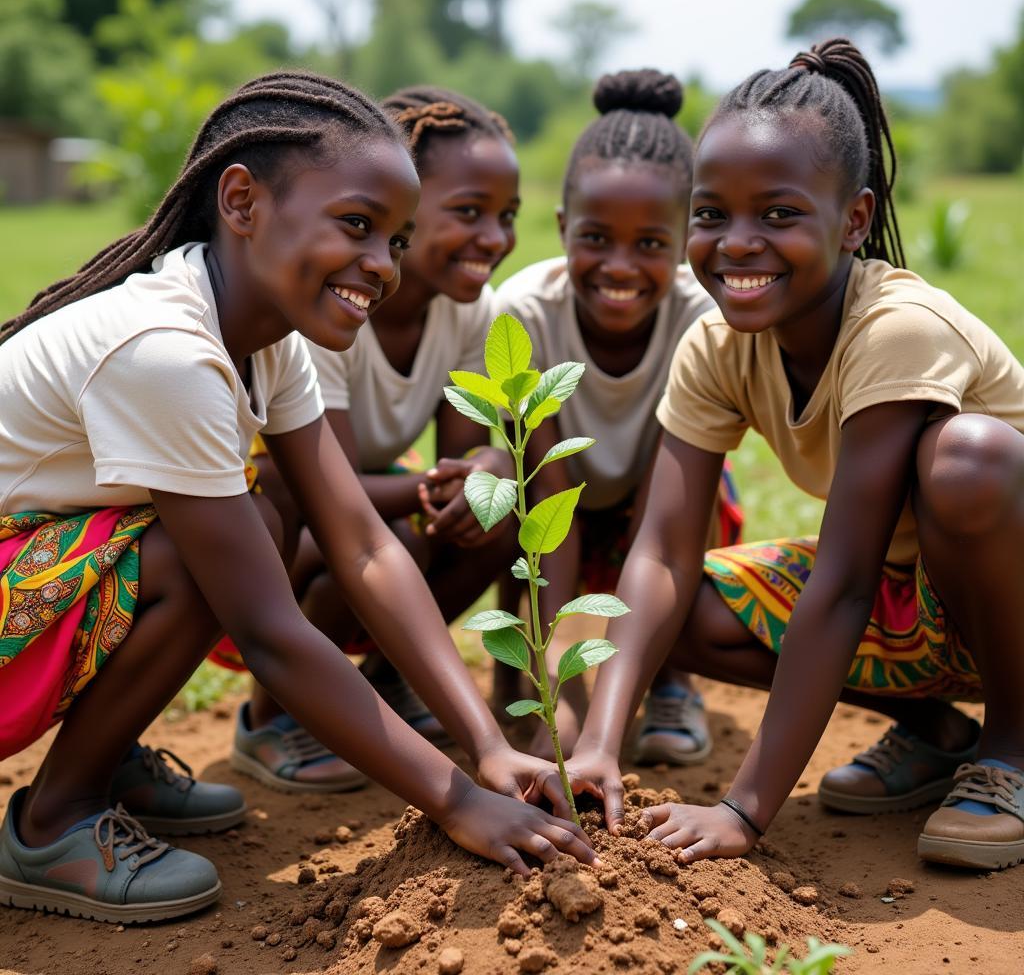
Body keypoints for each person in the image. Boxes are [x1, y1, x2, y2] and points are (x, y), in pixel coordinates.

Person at [0, 72, 599, 926]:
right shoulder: (164, 352)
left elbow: (360, 541)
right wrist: (459, 800)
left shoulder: (263, 335)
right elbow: (271, 632)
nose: (380, 265)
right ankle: (52, 819)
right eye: (357, 225)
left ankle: (105, 755)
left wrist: (488, 745)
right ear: (241, 200)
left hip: (27, 567)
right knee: (207, 553)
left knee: (259, 521)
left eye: (394, 240)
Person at [557, 40, 1024, 872]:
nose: (737, 244)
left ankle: (1013, 752)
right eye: (710, 214)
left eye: (777, 215)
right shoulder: (714, 345)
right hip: (920, 607)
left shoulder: (900, 329)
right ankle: (938, 735)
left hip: (1004, 599)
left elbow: (843, 581)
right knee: (669, 608)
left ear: (852, 221)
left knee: (969, 460)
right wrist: (599, 742)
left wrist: (745, 808)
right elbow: (662, 552)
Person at [229, 86, 523, 791]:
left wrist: (481, 468)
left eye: (507, 216)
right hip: (274, 529)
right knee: (390, 537)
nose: (494, 238)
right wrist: (430, 488)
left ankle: (388, 682)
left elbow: (462, 451)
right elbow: (315, 486)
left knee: (500, 514)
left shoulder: (470, 314)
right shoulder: (333, 304)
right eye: (468, 213)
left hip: (369, 497)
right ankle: (272, 719)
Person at [495, 69, 742, 764]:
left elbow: (660, 526)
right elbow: (549, 498)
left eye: (652, 244)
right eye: (596, 238)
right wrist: (560, 706)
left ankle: (673, 680)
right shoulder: (523, 316)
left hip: (659, 501)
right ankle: (517, 675)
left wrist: (610, 714)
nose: (621, 267)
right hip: (559, 503)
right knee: (517, 520)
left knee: (704, 506)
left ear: (687, 239)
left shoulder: (703, 317)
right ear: (563, 228)